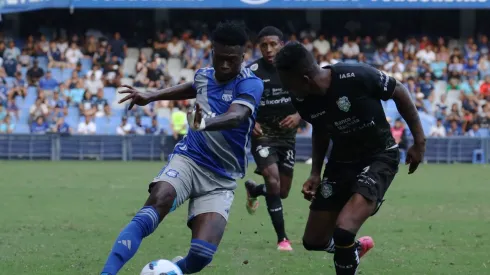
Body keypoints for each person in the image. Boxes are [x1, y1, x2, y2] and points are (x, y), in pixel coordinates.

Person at [100, 21, 263, 275]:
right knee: (157, 201)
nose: (225, 65)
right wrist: (151, 95)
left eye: (232, 60)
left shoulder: (250, 84)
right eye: (220, 58)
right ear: (212, 52)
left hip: (222, 177)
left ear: (243, 56)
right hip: (189, 159)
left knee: (201, 256)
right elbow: (192, 87)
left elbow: (237, 115)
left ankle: (172, 270)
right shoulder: (204, 75)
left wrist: (205, 122)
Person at [274, 42, 426, 275]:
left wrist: (419, 141)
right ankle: (352, 250)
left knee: (343, 230)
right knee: (314, 240)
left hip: (379, 156)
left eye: (288, 83)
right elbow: (320, 127)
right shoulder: (303, 100)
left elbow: (400, 91)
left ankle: (349, 246)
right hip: (341, 163)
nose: (287, 89)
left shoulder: (355, 76)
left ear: (304, 79)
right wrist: (315, 172)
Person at [243, 26, 300, 251]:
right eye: (264, 45)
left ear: (282, 45)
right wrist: (250, 121)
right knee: (273, 180)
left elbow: (311, 96)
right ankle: (282, 238)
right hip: (263, 135)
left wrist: (299, 115)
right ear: (259, 47)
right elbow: (239, 101)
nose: (269, 49)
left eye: (273, 44)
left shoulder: (294, 68)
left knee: (282, 192)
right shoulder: (251, 71)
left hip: (288, 137)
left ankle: (255, 191)